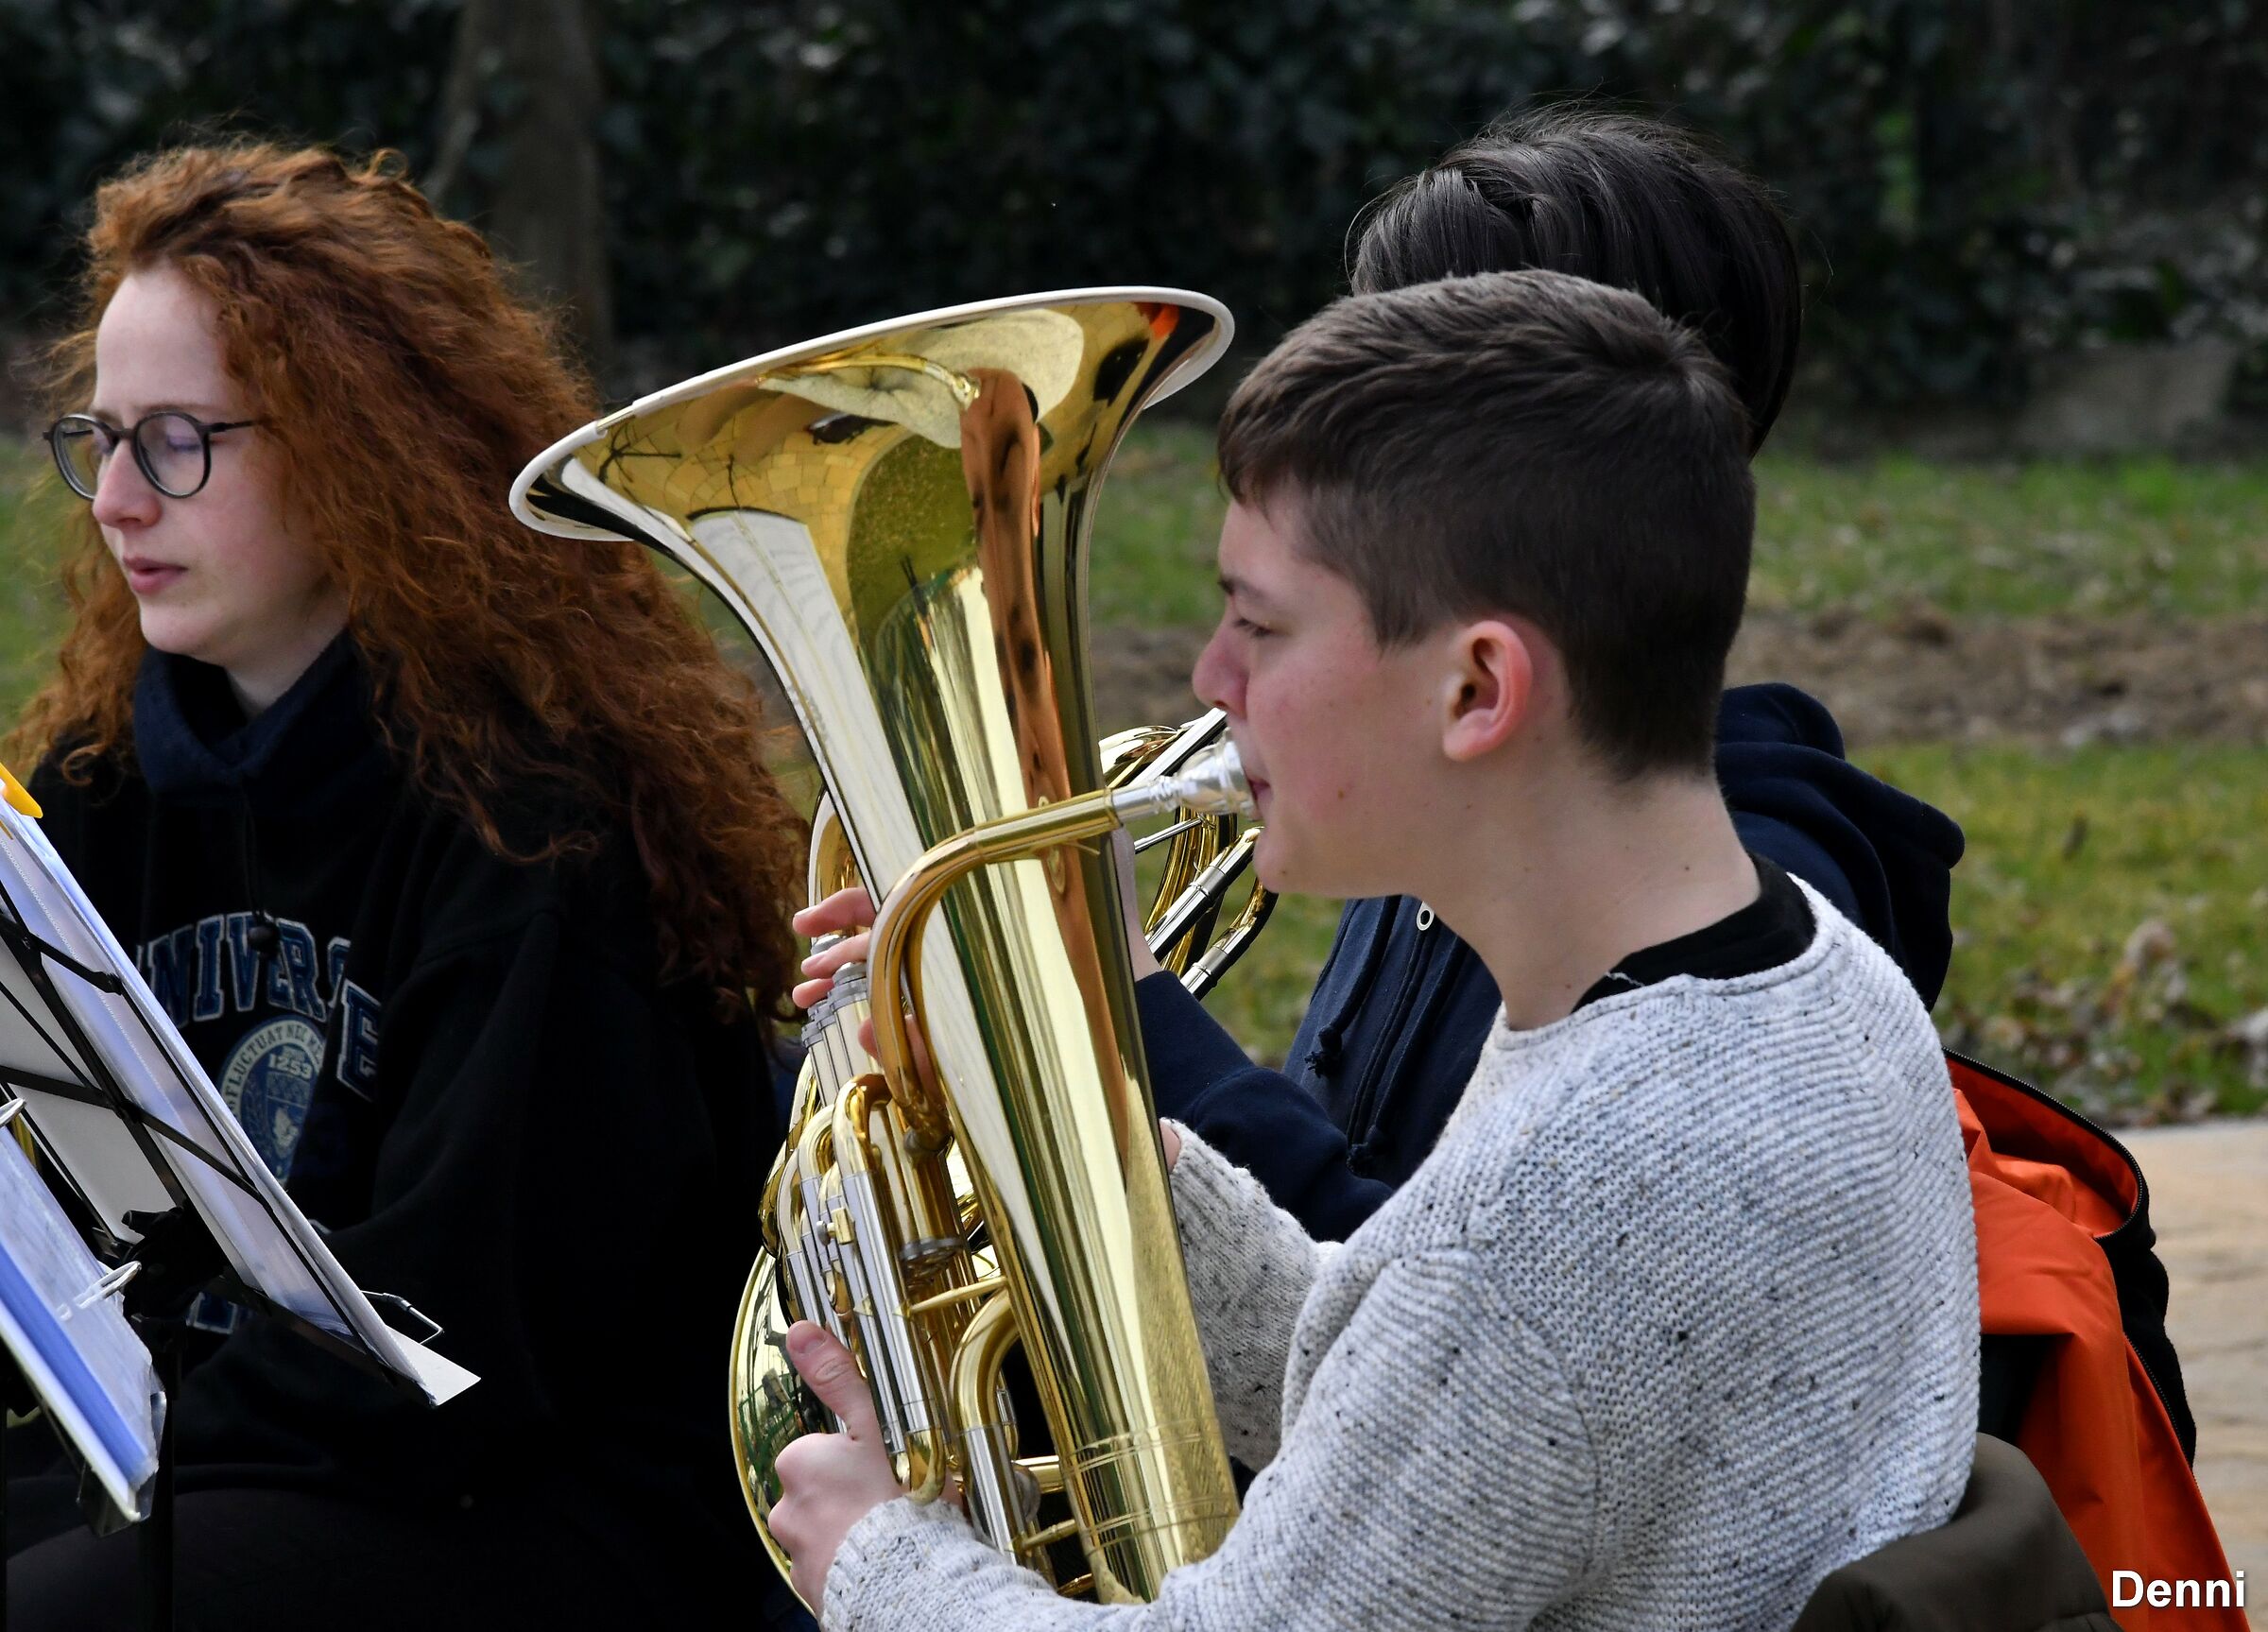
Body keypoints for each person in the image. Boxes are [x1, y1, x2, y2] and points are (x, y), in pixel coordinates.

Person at [771, 268, 1982, 1629]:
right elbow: (1445, 1405)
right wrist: (1090, 1140)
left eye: (1260, 625)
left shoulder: (1549, 1223)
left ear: (1476, 689)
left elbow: (1491, 1340)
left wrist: (878, 1560)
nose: (1209, 683)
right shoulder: (1805, 977)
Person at [2, 143, 805, 1629]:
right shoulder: (97, 789)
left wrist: (136, 1446)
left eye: (175, 442)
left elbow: (459, 1347)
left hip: (538, 1509)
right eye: (99, 438)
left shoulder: (542, 825)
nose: (114, 501)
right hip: (225, 1447)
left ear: (356, 444)